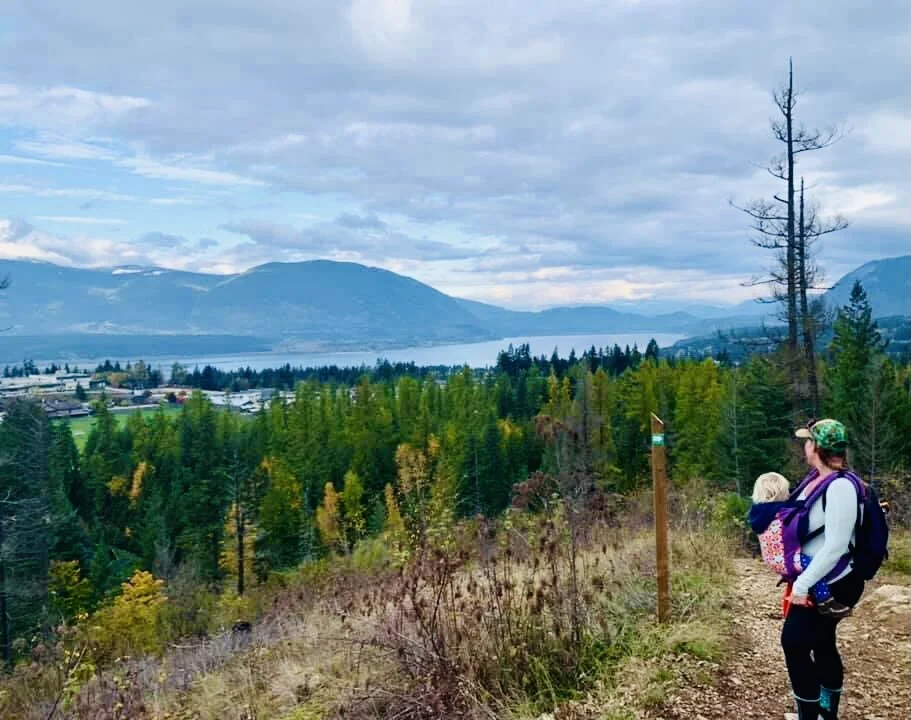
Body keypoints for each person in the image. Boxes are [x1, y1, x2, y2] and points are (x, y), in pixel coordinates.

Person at [781, 419, 865, 720]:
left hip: (832, 581)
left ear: (816, 447)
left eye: (807, 441)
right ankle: (825, 714)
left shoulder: (841, 487)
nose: (804, 445)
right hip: (823, 577)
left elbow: (836, 546)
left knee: (793, 642)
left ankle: (811, 716)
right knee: (821, 641)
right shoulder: (819, 479)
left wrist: (803, 585)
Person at [748, 472, 852, 617]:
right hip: (787, 559)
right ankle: (825, 601)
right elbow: (800, 529)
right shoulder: (782, 513)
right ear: (779, 492)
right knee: (814, 568)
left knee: (805, 568)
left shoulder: (758, 512)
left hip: (772, 560)